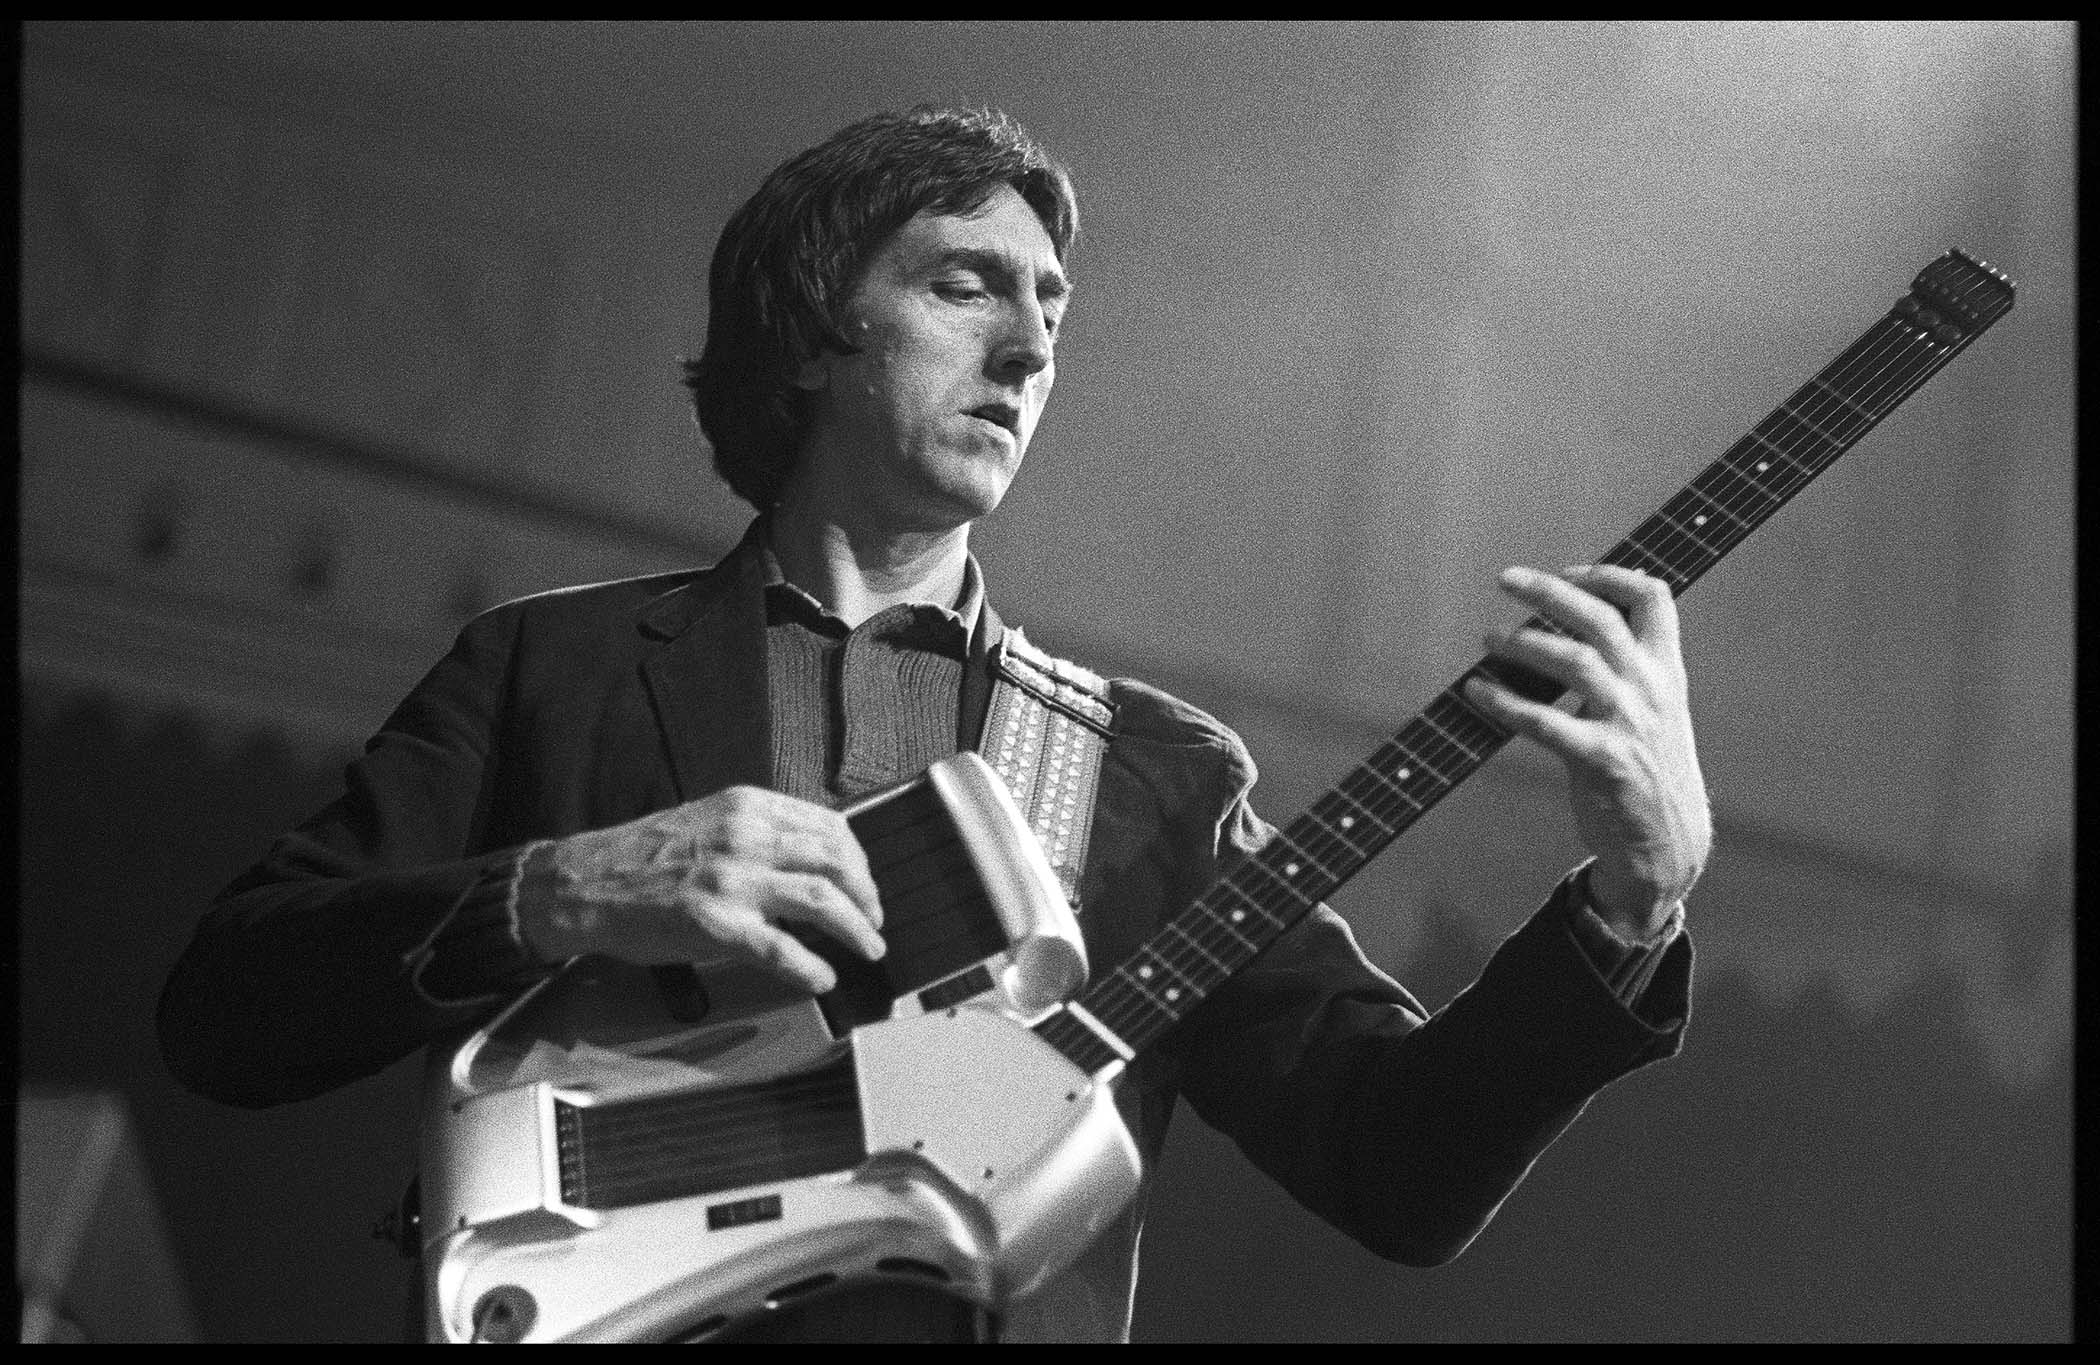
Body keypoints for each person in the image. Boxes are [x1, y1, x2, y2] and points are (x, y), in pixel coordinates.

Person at [158, 105, 1709, 1343]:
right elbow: (227, 1009)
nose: (1031, 350)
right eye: (965, 282)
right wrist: (556, 887)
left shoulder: (1149, 776)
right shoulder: (544, 669)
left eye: (1052, 307)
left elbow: (1400, 1166)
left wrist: (1634, 904)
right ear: (817, 327)